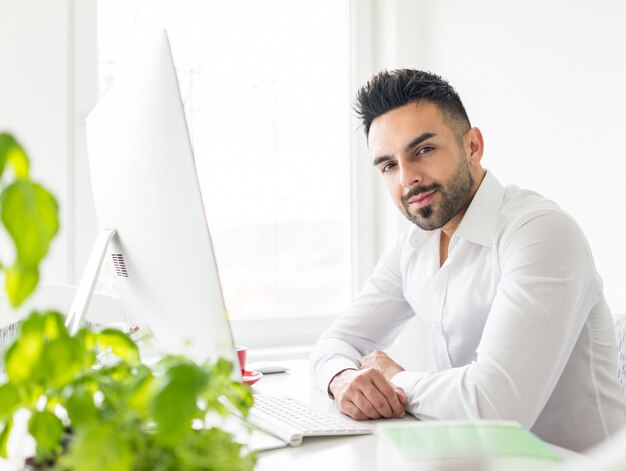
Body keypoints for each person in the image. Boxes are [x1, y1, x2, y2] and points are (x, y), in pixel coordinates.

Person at [310, 69, 626, 452]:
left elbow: (497, 409)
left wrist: (396, 378)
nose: (407, 178)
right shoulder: (413, 248)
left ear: (473, 146)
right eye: (389, 165)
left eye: (423, 150)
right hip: (478, 458)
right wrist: (342, 378)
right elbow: (337, 340)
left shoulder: (539, 232)